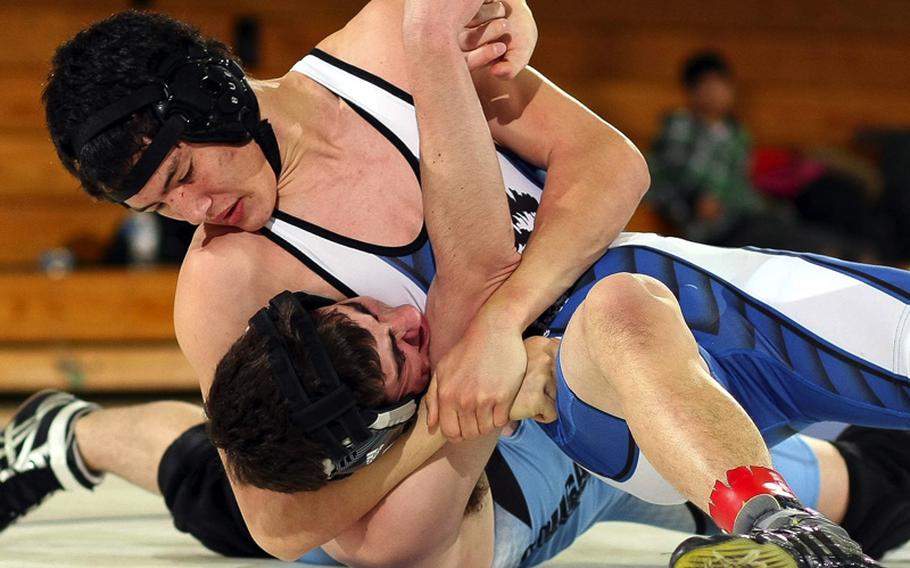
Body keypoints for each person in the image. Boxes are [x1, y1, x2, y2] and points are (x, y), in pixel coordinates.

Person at [2, 2, 902, 565]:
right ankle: (79, 433)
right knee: (228, 490)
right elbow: (279, 519)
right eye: (163, 206)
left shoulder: (380, 54)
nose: (196, 211)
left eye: (186, 175)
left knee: (841, 488)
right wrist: (459, 402)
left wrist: (501, 330)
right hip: (442, 481)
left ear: (218, 103)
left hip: (575, 380)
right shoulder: (220, 281)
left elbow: (609, 167)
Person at [646, 51, 862, 259]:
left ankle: (854, 255)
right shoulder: (681, 126)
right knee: (798, 244)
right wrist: (694, 200)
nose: (715, 91)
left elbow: (740, 184)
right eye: (706, 84)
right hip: (713, 229)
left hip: (741, 214)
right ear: (692, 92)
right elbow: (672, 175)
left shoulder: (737, 135)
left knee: (800, 228)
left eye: (720, 83)